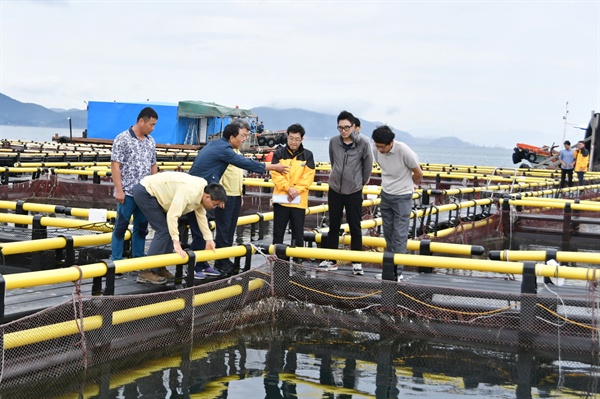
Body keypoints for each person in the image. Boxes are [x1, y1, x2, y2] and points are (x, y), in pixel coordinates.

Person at [188, 120, 289, 279]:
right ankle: (192, 267)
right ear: (231, 136)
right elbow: (245, 163)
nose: (244, 139)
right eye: (242, 136)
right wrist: (274, 167)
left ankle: (203, 264)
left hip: (203, 193)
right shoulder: (224, 149)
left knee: (204, 230)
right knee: (201, 232)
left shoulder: (218, 146)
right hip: (196, 194)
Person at [131, 172, 227, 284]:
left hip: (157, 193)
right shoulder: (189, 192)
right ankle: (146, 271)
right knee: (164, 230)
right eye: (214, 204)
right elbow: (172, 216)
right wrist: (176, 243)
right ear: (207, 197)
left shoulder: (202, 189)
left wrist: (209, 239)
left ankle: (159, 268)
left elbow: (201, 215)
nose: (214, 208)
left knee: (168, 230)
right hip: (146, 192)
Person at [110, 107, 165, 285]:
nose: (153, 128)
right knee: (121, 226)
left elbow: (153, 165)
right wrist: (119, 190)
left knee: (141, 228)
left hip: (146, 194)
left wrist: (155, 189)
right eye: (151, 124)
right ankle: (116, 261)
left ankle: (139, 260)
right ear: (141, 121)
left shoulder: (150, 141)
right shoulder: (122, 138)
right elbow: (115, 166)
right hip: (127, 192)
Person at [319, 111, 373, 275]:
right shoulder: (334, 142)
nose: (343, 131)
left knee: (355, 226)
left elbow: (368, 165)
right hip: (335, 188)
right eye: (340, 128)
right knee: (333, 225)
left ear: (353, 127)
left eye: (346, 127)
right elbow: (333, 161)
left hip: (354, 190)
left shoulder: (363, 143)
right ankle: (332, 260)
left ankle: (357, 262)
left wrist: (360, 183)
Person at [371, 125, 423, 280]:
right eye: (377, 146)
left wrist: (408, 184)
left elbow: (418, 173)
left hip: (403, 197)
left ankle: (397, 273)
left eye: (382, 147)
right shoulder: (376, 150)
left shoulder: (404, 151)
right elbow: (384, 168)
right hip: (386, 195)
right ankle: (389, 271)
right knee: (388, 235)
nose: (379, 149)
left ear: (390, 143)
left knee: (400, 236)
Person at [270, 123, 316, 250]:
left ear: (302, 139)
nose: (293, 142)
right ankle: (279, 264)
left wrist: (296, 190)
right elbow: (275, 174)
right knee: (278, 234)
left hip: (298, 201)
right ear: (287, 137)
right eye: (291, 138)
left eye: (297, 139)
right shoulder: (278, 153)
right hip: (281, 200)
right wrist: (288, 188)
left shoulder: (308, 155)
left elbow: (308, 176)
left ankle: (298, 263)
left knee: (298, 234)